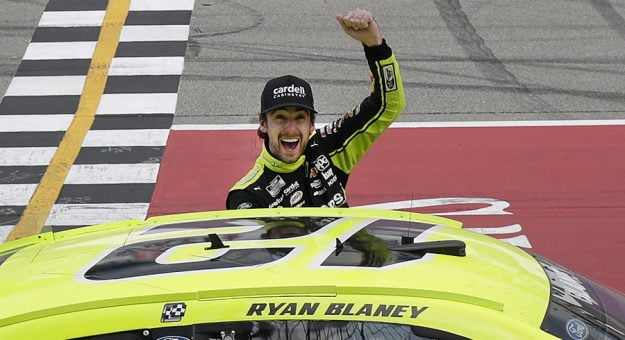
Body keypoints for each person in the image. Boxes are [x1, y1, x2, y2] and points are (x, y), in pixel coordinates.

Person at [226, 9, 405, 209]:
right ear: (263, 124)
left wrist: (375, 46)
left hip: (343, 240)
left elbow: (387, 105)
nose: (291, 128)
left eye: (300, 118)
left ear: (311, 123)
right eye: (280, 118)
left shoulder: (326, 148)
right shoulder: (247, 195)